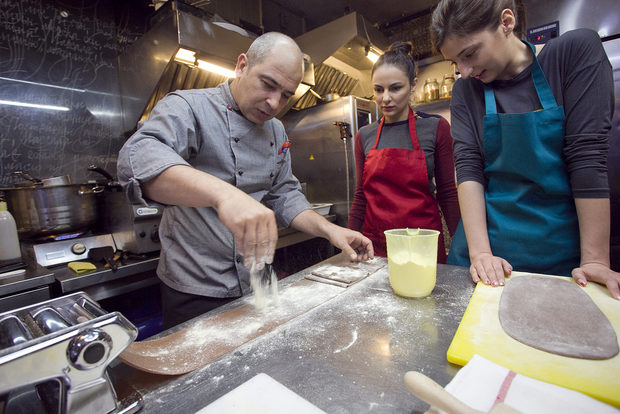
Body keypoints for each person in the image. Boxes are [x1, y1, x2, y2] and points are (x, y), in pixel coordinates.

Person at [118, 32, 374, 329]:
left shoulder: (276, 130)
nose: (274, 103)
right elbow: (136, 157)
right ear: (242, 66)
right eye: (268, 84)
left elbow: (285, 195)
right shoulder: (189, 107)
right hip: (196, 288)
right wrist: (224, 195)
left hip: (257, 282)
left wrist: (330, 230)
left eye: (287, 95)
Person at [431, 0, 620, 299]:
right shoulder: (466, 90)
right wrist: (480, 255)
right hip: (484, 259)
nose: (464, 72)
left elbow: (587, 157)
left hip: (559, 262)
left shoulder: (573, 55)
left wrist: (595, 260)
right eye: (455, 63)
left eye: (469, 54)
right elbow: (468, 168)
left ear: (507, 22)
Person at [348, 41, 460, 261]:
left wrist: (461, 243)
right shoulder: (364, 135)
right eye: (378, 90)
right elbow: (361, 194)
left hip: (423, 245)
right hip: (376, 247)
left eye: (395, 88)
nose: (385, 98)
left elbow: (447, 192)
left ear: (413, 85)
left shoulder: (436, 128)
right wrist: (350, 238)